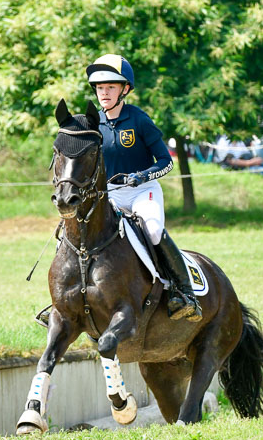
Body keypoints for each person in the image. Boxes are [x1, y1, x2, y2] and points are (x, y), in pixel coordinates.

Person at [86, 53, 202, 322]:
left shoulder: (139, 120)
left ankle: (183, 292)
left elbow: (165, 162)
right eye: (100, 88)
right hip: (109, 196)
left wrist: (142, 175)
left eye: (110, 87)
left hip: (142, 191)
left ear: (124, 89)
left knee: (152, 229)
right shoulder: (93, 123)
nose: (104, 93)